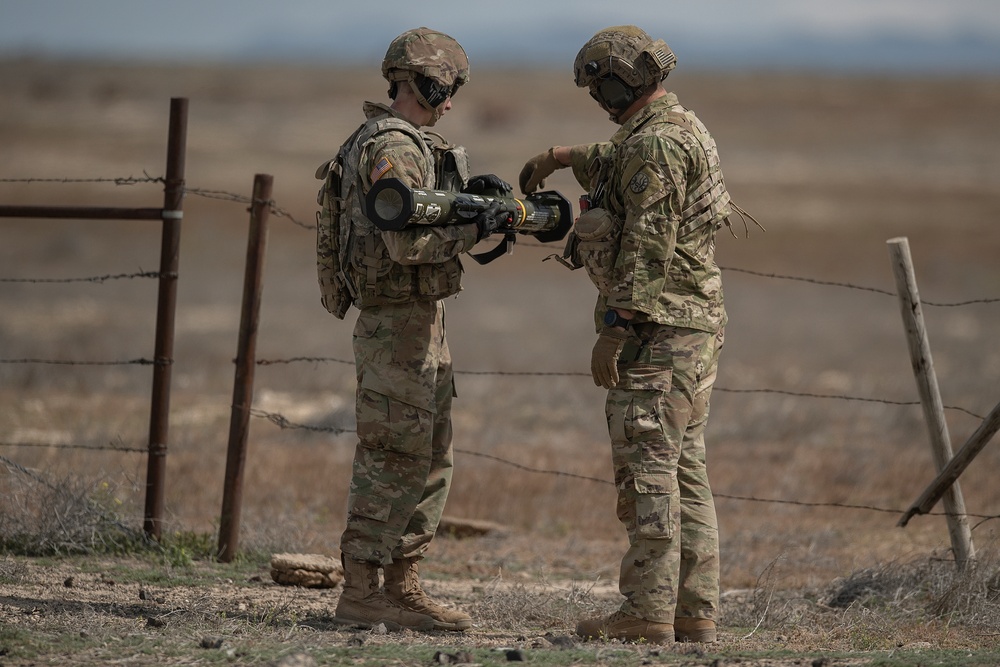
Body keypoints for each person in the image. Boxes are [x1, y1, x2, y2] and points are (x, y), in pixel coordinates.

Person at [520, 25, 754, 644]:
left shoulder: (655, 147)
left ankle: (646, 612)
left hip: (658, 330)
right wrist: (564, 155)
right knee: (684, 472)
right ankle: (694, 611)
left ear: (622, 79)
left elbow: (649, 244)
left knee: (647, 468)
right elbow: (626, 161)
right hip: (692, 326)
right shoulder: (677, 128)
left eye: (600, 85)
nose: (598, 98)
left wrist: (616, 328)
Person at [315, 27, 508, 632]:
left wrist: (472, 208)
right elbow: (406, 244)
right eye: (446, 88)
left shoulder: (403, 142)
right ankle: (364, 589)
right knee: (393, 454)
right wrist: (480, 228)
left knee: (428, 456)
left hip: (417, 322)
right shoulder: (393, 146)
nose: (449, 103)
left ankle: (402, 585)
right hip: (397, 322)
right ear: (425, 81)